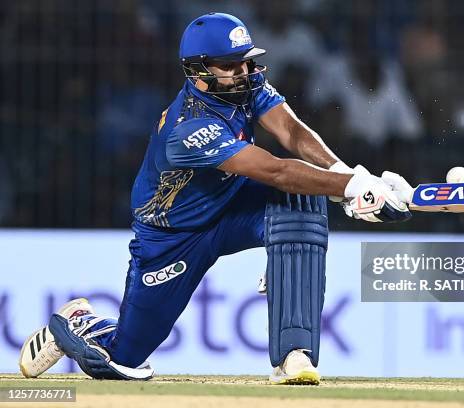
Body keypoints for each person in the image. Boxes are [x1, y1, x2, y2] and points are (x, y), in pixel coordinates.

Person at [18, 12, 413, 385]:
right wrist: (348, 189)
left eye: (246, 62)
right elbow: (275, 169)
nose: (244, 72)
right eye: (230, 65)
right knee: (122, 362)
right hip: (173, 238)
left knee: (301, 204)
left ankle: (294, 354)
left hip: (233, 204)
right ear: (198, 70)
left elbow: (291, 133)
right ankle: (81, 322)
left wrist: (352, 174)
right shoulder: (188, 128)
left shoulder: (248, 85)